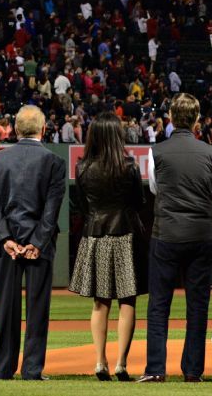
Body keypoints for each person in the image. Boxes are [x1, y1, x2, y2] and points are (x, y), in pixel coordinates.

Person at [138, 93, 212, 383]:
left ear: (170, 118)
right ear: (197, 120)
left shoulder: (156, 151)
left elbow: (154, 189)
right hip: (201, 235)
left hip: (167, 234)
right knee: (198, 306)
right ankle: (193, 371)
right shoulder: (210, 153)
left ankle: (156, 370)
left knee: (159, 304)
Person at [0, 105, 66, 381]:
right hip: (39, 247)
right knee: (37, 307)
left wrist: (6, 239)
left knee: (5, 308)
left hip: (7, 247)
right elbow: (51, 211)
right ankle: (32, 370)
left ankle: (3, 369)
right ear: (44, 129)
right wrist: (38, 243)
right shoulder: (54, 162)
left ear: (16, 130)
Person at [70, 112, 145, 381]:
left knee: (100, 302)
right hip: (125, 234)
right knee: (127, 300)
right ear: (117, 135)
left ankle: (100, 362)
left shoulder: (82, 168)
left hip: (96, 235)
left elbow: (81, 206)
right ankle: (121, 364)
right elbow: (139, 202)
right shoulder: (129, 166)